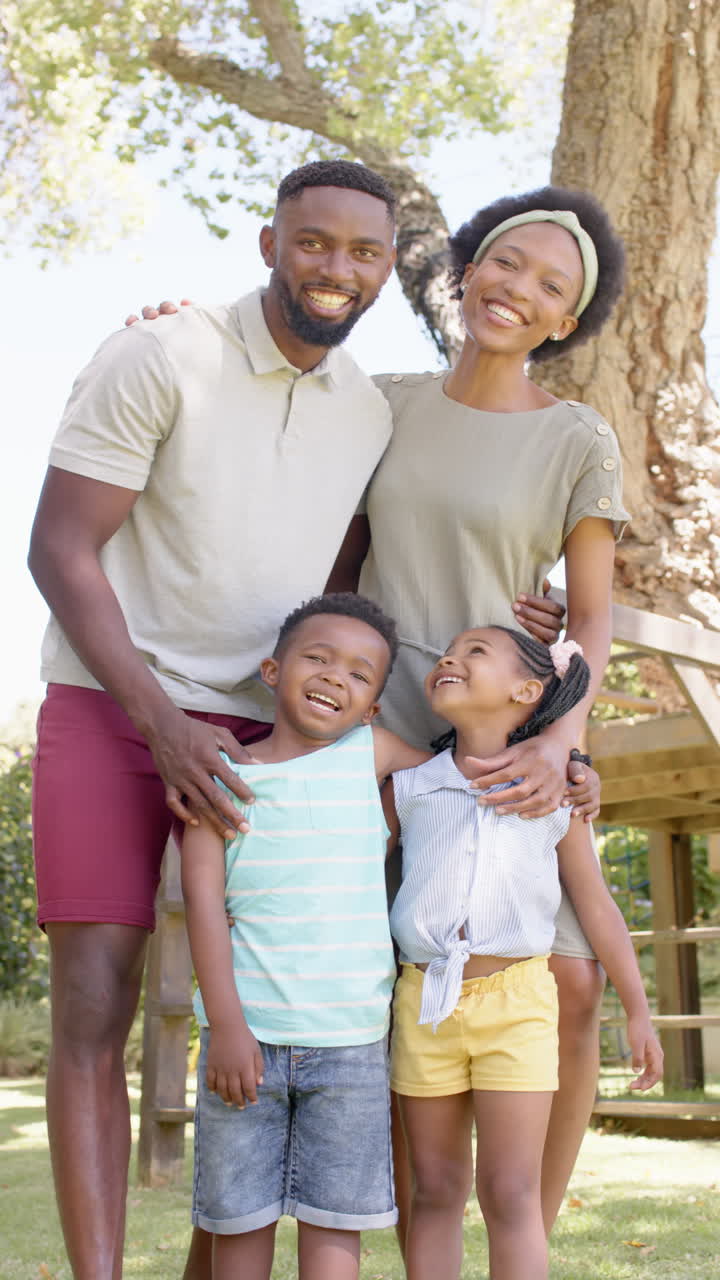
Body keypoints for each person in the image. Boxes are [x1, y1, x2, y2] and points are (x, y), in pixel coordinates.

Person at [29, 158, 571, 1280]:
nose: (337, 268)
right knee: (95, 996)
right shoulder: (162, 352)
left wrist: (543, 660)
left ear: (387, 270)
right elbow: (58, 548)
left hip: (265, 729)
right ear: (269, 242)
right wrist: (164, 727)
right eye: (313, 242)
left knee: (275, 1008)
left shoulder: (372, 410)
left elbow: (413, 537)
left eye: (364, 252)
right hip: (110, 695)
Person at [325, 186, 630, 1233]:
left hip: (509, 734)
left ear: (566, 321)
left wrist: (560, 742)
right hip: (382, 733)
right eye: (506, 262)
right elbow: (333, 554)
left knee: (570, 981)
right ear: (466, 268)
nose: (518, 289)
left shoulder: (579, 438)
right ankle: (417, 1230)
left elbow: (588, 617)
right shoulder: (384, 400)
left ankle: (525, 1233)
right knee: (394, 994)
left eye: (552, 284)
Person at [385, 625, 663, 1280]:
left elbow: (596, 906)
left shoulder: (557, 792)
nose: (452, 657)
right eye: (449, 652)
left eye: (475, 651)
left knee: (510, 1193)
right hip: (423, 1005)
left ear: (527, 690)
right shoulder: (407, 786)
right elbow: (350, 872)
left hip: (519, 1006)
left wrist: (638, 1009)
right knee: (435, 1191)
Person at [181, 592, 428, 1280]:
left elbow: (444, 779)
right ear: (272, 669)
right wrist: (227, 1025)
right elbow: (202, 906)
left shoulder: (370, 754)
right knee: (239, 1224)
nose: (333, 677)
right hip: (245, 1042)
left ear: (374, 704)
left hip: (350, 1044)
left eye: (358, 673)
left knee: (334, 1229)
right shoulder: (221, 783)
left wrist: (571, 764)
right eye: (317, 659)